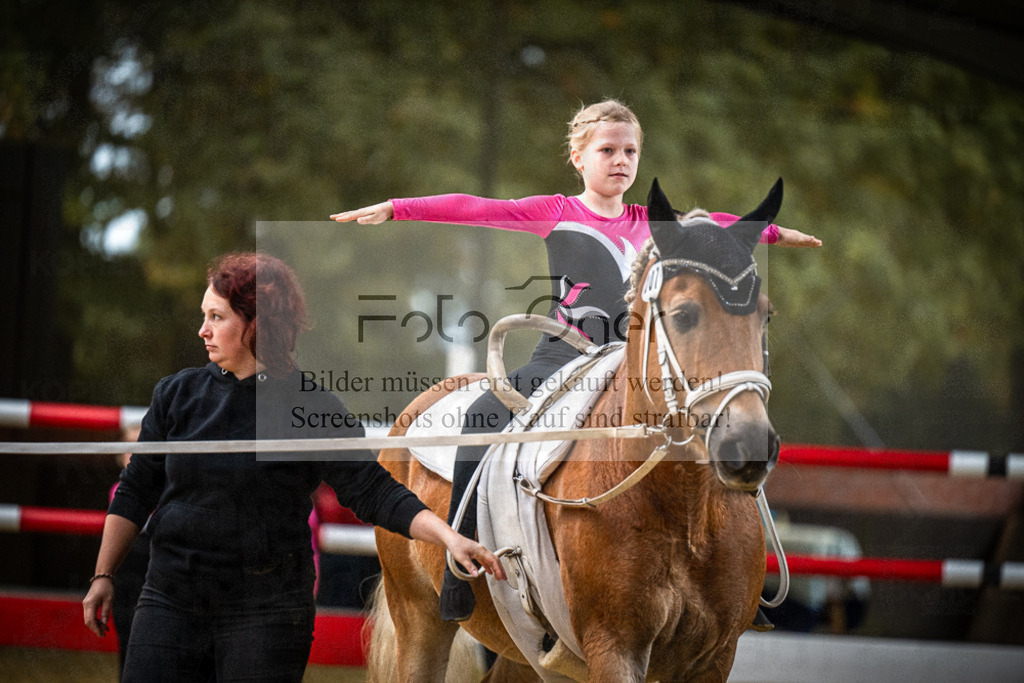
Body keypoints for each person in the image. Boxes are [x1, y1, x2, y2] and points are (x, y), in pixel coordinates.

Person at [331, 99, 821, 621]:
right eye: (607, 150)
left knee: (717, 422)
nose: (621, 161)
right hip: (564, 355)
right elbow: (473, 206)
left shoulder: (657, 223)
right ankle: (459, 565)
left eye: (630, 151)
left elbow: (724, 226)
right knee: (481, 416)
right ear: (578, 157)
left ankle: (737, 575)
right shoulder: (556, 212)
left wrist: (774, 233)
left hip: (632, 364)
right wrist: (398, 207)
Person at [83, 252, 505, 682]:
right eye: (204, 316)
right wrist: (103, 574)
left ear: (256, 324)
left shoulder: (313, 407)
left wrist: (449, 537)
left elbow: (375, 491)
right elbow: (135, 490)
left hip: (266, 613)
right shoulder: (175, 394)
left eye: (216, 317)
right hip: (169, 599)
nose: (202, 330)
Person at [108, 425, 148, 682]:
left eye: (141, 447)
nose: (133, 454)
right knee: (127, 631)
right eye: (128, 448)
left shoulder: (167, 487)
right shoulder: (119, 490)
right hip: (127, 569)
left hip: (155, 567)